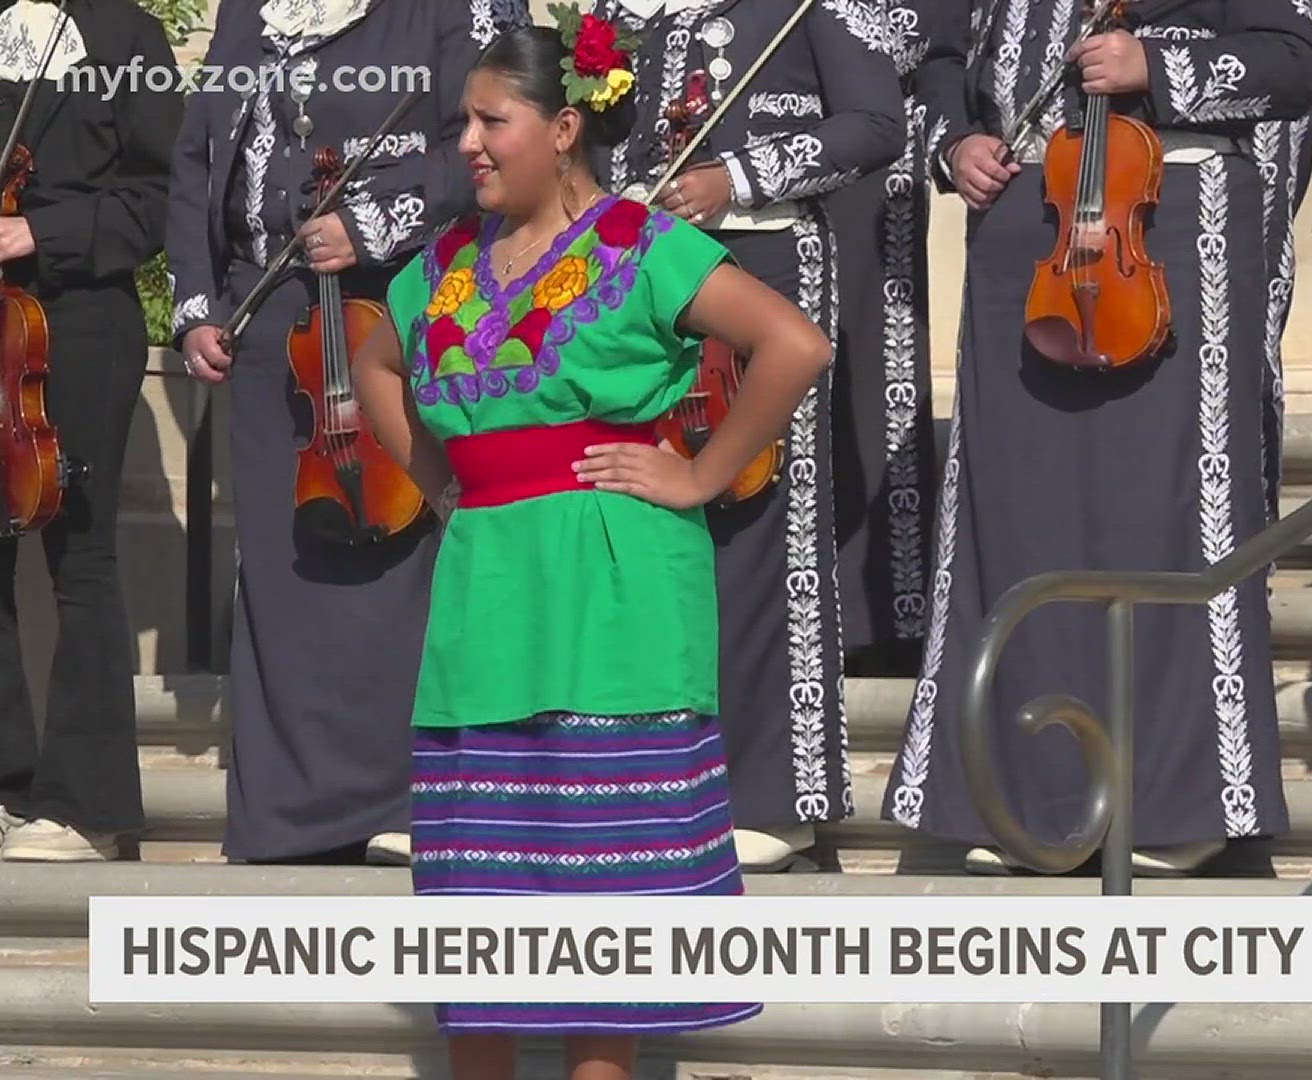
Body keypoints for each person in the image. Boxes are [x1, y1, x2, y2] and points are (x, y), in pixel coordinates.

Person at [350, 21, 828, 1076]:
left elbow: (793, 343)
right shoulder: (438, 269)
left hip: (615, 586)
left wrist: (699, 474)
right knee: (482, 915)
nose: (469, 142)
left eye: (492, 120)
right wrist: (438, 483)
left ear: (563, 128)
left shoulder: (642, 244)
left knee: (599, 909)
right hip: (488, 590)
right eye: (464, 121)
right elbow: (374, 362)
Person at [880, 0, 1312, 875]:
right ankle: (1006, 796)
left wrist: (1152, 66)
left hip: (1171, 214)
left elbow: (1290, 66)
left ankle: (1178, 802)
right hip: (1025, 220)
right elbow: (939, 53)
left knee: (1167, 504)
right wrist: (957, 141)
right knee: (1013, 509)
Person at [169, 0, 529, 864]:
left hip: (394, 303)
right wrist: (193, 308)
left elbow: (487, 145)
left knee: (398, 558)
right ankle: (286, 815)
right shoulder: (251, 10)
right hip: (267, 333)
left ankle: (408, 800)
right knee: (284, 573)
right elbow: (193, 160)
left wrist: (370, 224)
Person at [601, 0, 905, 871]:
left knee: (768, 525)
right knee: (643, 524)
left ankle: (775, 790)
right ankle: (655, 779)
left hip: (760, 267)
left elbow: (876, 123)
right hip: (634, 283)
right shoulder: (621, 11)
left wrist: (735, 176)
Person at [0, 0, 181, 861]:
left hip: (77, 324)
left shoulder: (129, 38)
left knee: (80, 552)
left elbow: (156, 195)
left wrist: (39, 228)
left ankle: (87, 805)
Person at [826, 0, 938, 675]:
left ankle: (882, 618)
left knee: (871, 381)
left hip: (868, 150)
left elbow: (922, 34)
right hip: (729, 146)